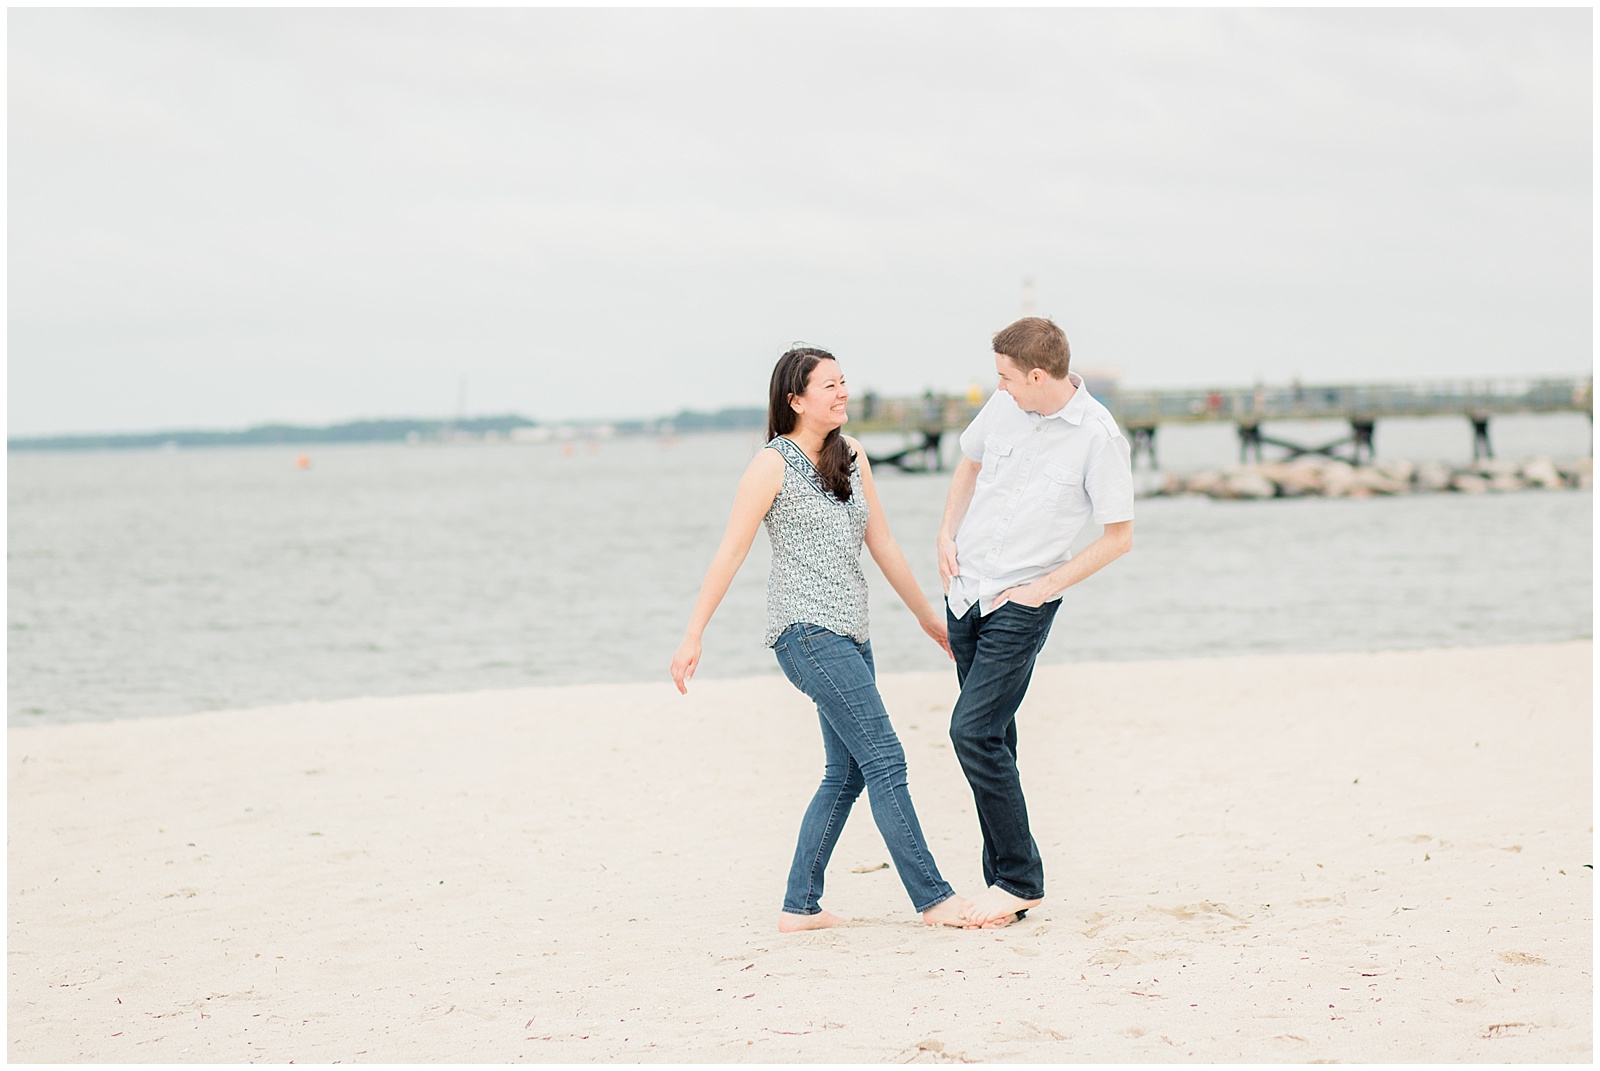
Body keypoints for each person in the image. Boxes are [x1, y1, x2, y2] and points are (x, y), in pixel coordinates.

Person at [671, 345, 970, 932]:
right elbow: (731, 550)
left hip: (852, 635)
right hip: (805, 634)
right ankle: (934, 899)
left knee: (848, 771)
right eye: (828, 386)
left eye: (843, 382)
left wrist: (926, 617)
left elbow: (880, 542)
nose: (842, 393)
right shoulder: (771, 465)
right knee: (886, 758)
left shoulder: (853, 455)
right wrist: (693, 634)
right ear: (795, 399)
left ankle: (799, 906)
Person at [935, 316, 1135, 929]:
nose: (999, 388)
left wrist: (1045, 588)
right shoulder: (1003, 409)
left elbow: (1119, 537)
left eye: (1006, 378)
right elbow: (968, 465)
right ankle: (1004, 883)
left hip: (1021, 604)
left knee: (970, 733)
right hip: (966, 592)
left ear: (1039, 375)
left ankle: (1021, 880)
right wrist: (945, 532)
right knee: (995, 739)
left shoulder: (1098, 435)